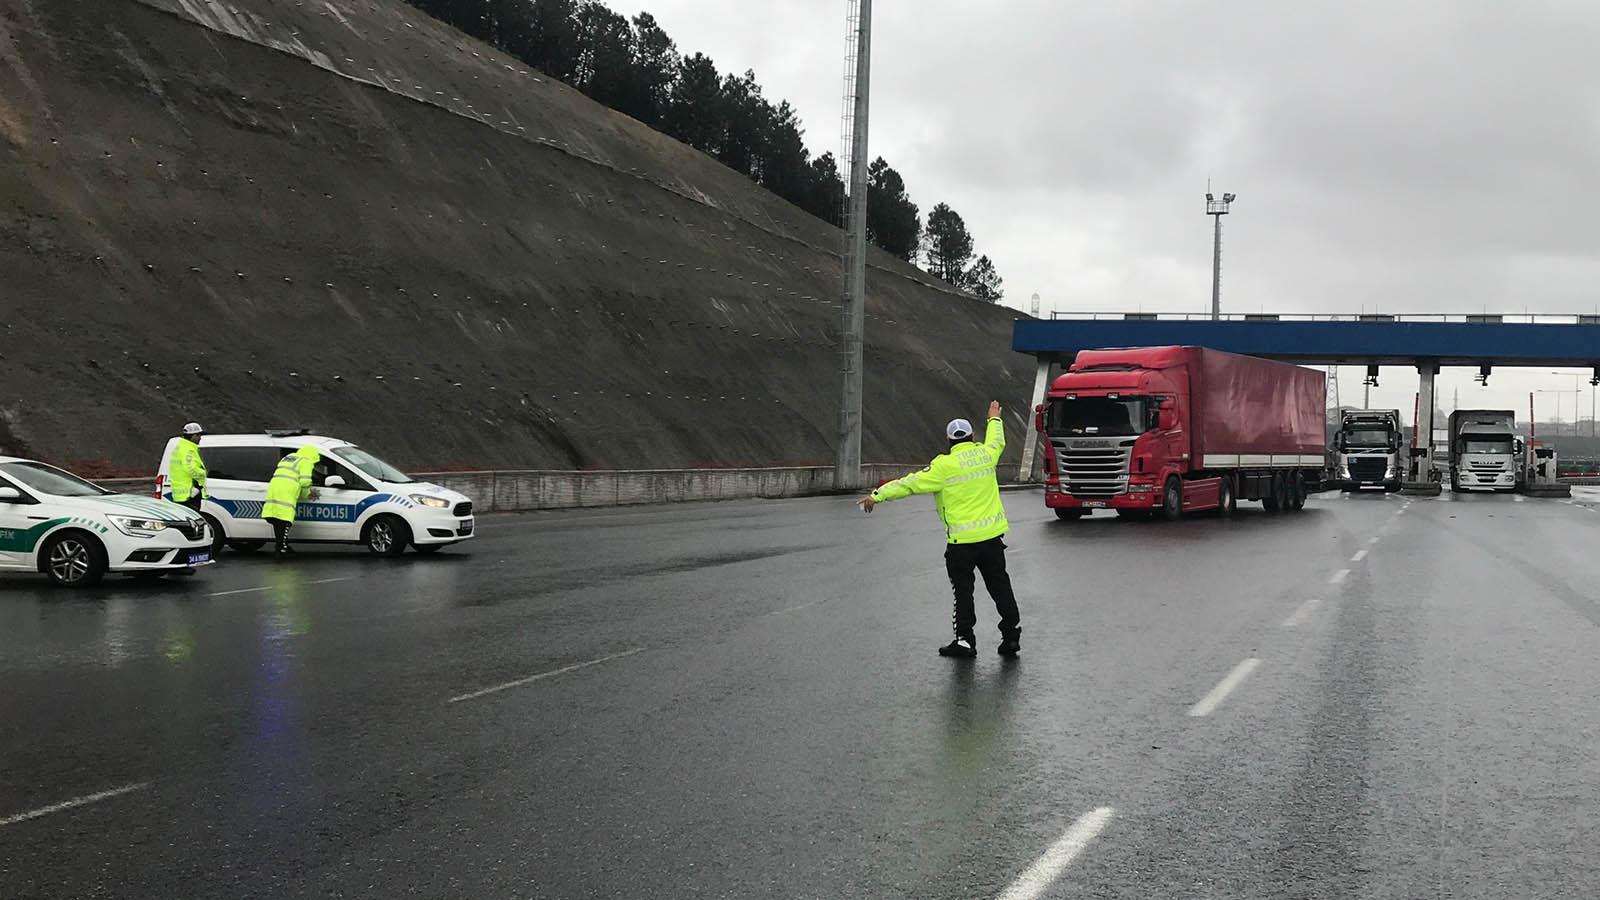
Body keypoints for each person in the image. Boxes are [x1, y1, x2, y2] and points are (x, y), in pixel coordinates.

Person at [857, 400, 1021, 658]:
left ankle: (965, 641)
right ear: (971, 436)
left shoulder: (942, 467)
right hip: (991, 539)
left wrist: (877, 496)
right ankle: (1011, 636)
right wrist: (994, 419)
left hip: (961, 544)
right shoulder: (985, 455)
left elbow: (908, 484)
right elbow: (997, 441)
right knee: (1000, 586)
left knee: (963, 592)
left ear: (948, 441)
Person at [263, 445, 322, 556]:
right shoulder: (306, 461)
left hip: (274, 488)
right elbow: (304, 482)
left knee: (277, 518)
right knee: (284, 519)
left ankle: (282, 545)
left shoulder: (289, 457)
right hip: (287, 491)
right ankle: (281, 548)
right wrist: (308, 494)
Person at [169, 422, 208, 513]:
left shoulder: (180, 447)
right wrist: (204, 474)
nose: (200, 438)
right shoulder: (189, 449)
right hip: (190, 494)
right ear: (192, 436)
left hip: (180, 494)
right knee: (193, 521)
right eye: (198, 435)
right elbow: (190, 468)